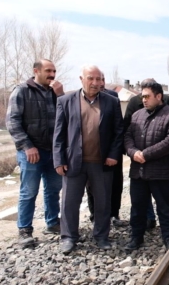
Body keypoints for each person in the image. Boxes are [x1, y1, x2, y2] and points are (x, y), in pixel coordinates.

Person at [53, 65, 123, 254]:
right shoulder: (65, 101)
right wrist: (59, 160)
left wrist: (113, 155)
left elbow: (118, 132)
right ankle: (69, 237)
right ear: (81, 79)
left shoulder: (111, 102)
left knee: (102, 202)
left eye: (99, 79)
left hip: (101, 163)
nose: (95, 83)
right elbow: (59, 134)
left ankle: (101, 236)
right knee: (69, 202)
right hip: (73, 162)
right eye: (91, 78)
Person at [6, 59, 64, 247]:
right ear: (36, 71)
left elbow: (67, 119)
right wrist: (27, 146)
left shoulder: (55, 93)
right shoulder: (22, 91)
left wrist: (61, 96)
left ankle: (53, 222)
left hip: (53, 152)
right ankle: (24, 230)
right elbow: (12, 121)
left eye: (54, 71)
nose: (52, 74)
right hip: (31, 151)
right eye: (48, 70)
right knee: (29, 192)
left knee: (54, 189)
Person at [124, 81, 169, 251]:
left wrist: (145, 154)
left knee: (165, 208)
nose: (144, 100)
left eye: (147, 96)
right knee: (138, 208)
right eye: (142, 97)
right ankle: (136, 237)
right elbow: (127, 136)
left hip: (161, 172)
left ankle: (167, 238)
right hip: (139, 172)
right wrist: (133, 152)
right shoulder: (137, 116)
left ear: (159, 96)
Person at [86, 73, 125, 226]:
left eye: (102, 79)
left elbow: (118, 126)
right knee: (91, 185)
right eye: (96, 79)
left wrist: (115, 151)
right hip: (92, 152)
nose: (100, 83)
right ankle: (94, 214)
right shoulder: (82, 98)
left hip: (112, 150)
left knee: (115, 183)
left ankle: (114, 213)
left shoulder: (112, 98)